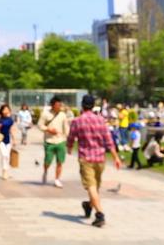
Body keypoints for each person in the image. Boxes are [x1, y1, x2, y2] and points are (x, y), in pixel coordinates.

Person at [67, 94, 122, 228]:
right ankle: (89, 205)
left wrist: (68, 148)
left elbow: (71, 137)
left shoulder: (77, 121)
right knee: (95, 187)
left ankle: (99, 214)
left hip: (86, 158)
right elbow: (109, 141)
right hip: (100, 158)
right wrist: (115, 157)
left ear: (82, 105)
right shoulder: (101, 120)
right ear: (93, 106)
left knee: (92, 187)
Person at [37, 96, 69, 188]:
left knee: (60, 161)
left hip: (61, 141)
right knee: (48, 161)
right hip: (49, 141)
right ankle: (45, 171)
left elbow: (66, 127)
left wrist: (67, 137)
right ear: (53, 105)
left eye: (60, 104)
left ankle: (57, 179)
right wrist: (48, 129)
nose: (59, 106)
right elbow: (40, 125)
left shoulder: (63, 115)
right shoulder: (45, 114)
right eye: (58, 104)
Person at [0, 104, 18, 180]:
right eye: (4, 109)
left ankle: (6, 171)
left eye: (7, 109)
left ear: (9, 110)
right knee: (4, 155)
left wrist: (14, 139)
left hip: (7, 140)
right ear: (1, 111)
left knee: (7, 156)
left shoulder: (10, 120)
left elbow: (11, 130)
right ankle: (4, 171)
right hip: (0, 140)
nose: (5, 111)